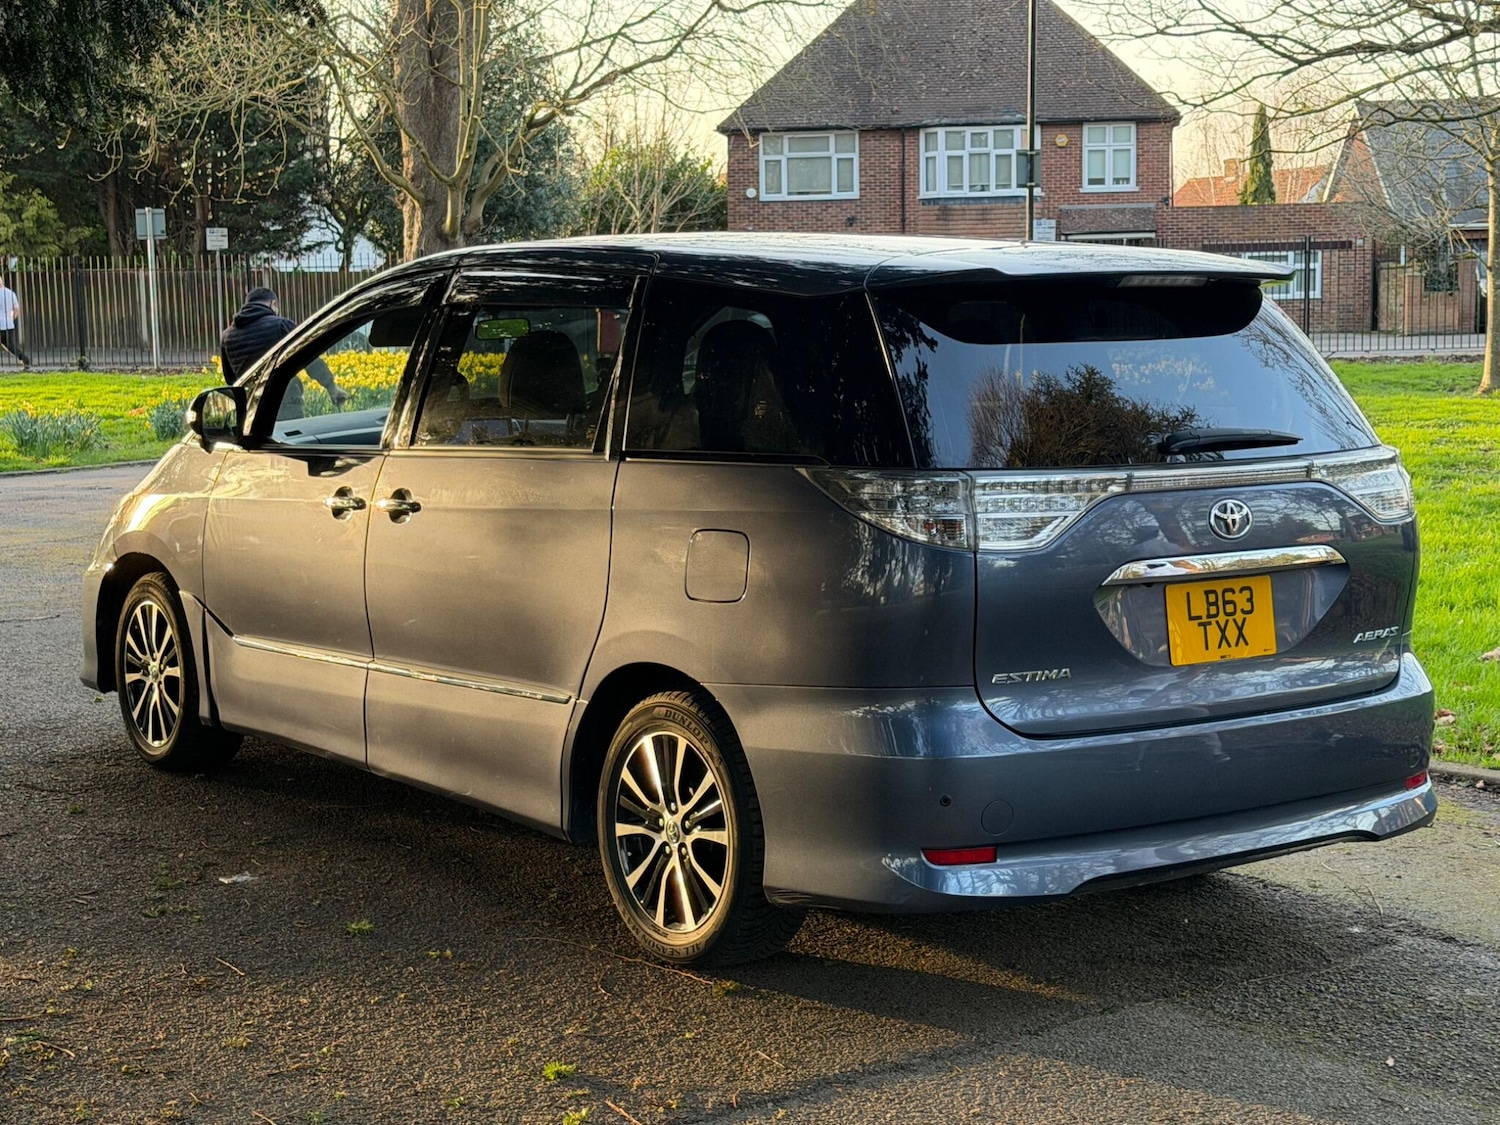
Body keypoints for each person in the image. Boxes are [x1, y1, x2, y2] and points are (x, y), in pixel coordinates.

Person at [219, 286, 346, 419]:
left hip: (252, 409)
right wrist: (332, 387)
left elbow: (231, 379)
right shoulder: (281, 326)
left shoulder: (227, 336)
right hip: (285, 403)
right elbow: (310, 360)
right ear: (273, 304)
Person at [0, 275, 32, 370]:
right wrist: (11, 319)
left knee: (8, 344)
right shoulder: (11, 293)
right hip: (9, 325)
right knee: (9, 344)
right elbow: (17, 309)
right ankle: (23, 357)